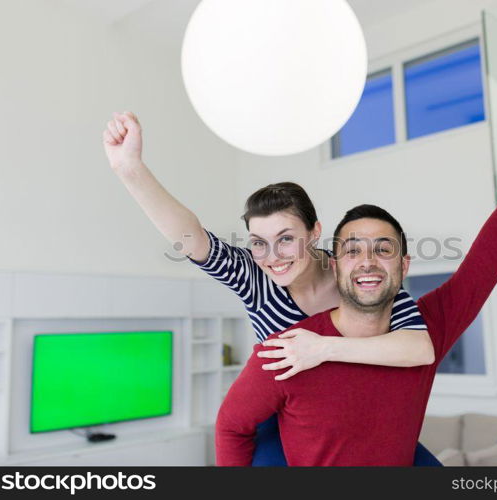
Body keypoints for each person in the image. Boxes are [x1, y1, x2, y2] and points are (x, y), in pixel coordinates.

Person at [215, 74, 497, 465]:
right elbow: (231, 428)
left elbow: (495, 248)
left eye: (383, 249)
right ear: (335, 265)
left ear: (404, 265)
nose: (368, 261)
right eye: (353, 250)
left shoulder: (427, 330)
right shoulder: (290, 350)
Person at [103, 106, 439, 465]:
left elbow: (418, 349)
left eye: (285, 239)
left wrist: (321, 348)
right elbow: (192, 238)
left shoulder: (354, 271)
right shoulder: (255, 278)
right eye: (259, 242)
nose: (272, 256)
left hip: (354, 419)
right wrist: (130, 169)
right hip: (281, 424)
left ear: (314, 233)